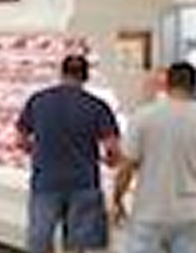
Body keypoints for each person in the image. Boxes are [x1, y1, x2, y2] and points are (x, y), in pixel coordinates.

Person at [111, 62, 196, 253]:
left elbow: (127, 166)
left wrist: (117, 199)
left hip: (150, 211)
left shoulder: (143, 117)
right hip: (192, 212)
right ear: (195, 86)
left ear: (167, 84)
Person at [16, 55, 121, 253]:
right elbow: (113, 149)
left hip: (46, 182)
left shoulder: (38, 100)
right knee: (78, 245)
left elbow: (20, 140)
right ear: (86, 76)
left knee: (41, 241)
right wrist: (110, 161)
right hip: (84, 184)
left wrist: (38, 150)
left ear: (62, 73)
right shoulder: (97, 106)